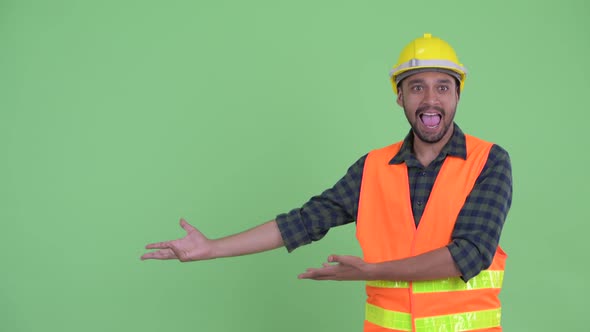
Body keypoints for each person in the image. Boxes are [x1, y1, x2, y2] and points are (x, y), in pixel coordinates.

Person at [141, 33, 513, 332]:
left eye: (443, 87)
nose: (430, 99)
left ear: (458, 95)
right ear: (399, 97)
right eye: (417, 87)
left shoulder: (488, 161)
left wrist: (371, 272)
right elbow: (303, 222)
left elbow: (470, 254)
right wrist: (211, 248)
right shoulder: (373, 168)